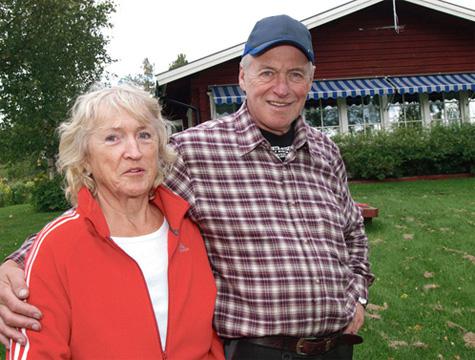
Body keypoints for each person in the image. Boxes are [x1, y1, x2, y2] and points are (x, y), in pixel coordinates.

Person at [0, 15, 373, 359]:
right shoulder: (194, 151)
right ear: (243, 78)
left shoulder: (326, 152)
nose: (281, 88)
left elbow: (353, 231)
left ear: (311, 79)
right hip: (256, 350)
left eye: (295, 74)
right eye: (267, 73)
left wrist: (357, 294)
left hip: (335, 347)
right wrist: (18, 265)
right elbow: (113, 195)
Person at [3, 85, 224, 359]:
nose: (134, 151)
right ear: (85, 159)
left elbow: (208, 340)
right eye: (112, 138)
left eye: (144, 135)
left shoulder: (188, 232)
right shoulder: (57, 246)